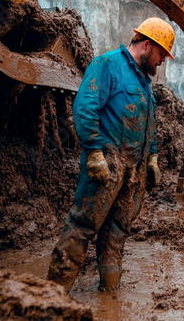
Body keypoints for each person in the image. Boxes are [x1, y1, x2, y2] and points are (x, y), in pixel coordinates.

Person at [46, 17, 175, 293]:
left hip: (132, 174)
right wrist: (94, 153)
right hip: (105, 169)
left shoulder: (145, 84)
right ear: (146, 45)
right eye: (162, 53)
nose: (162, 61)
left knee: (116, 234)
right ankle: (51, 298)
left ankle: (109, 293)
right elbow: (85, 107)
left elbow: (148, 125)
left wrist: (152, 158)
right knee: (82, 226)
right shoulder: (107, 65)